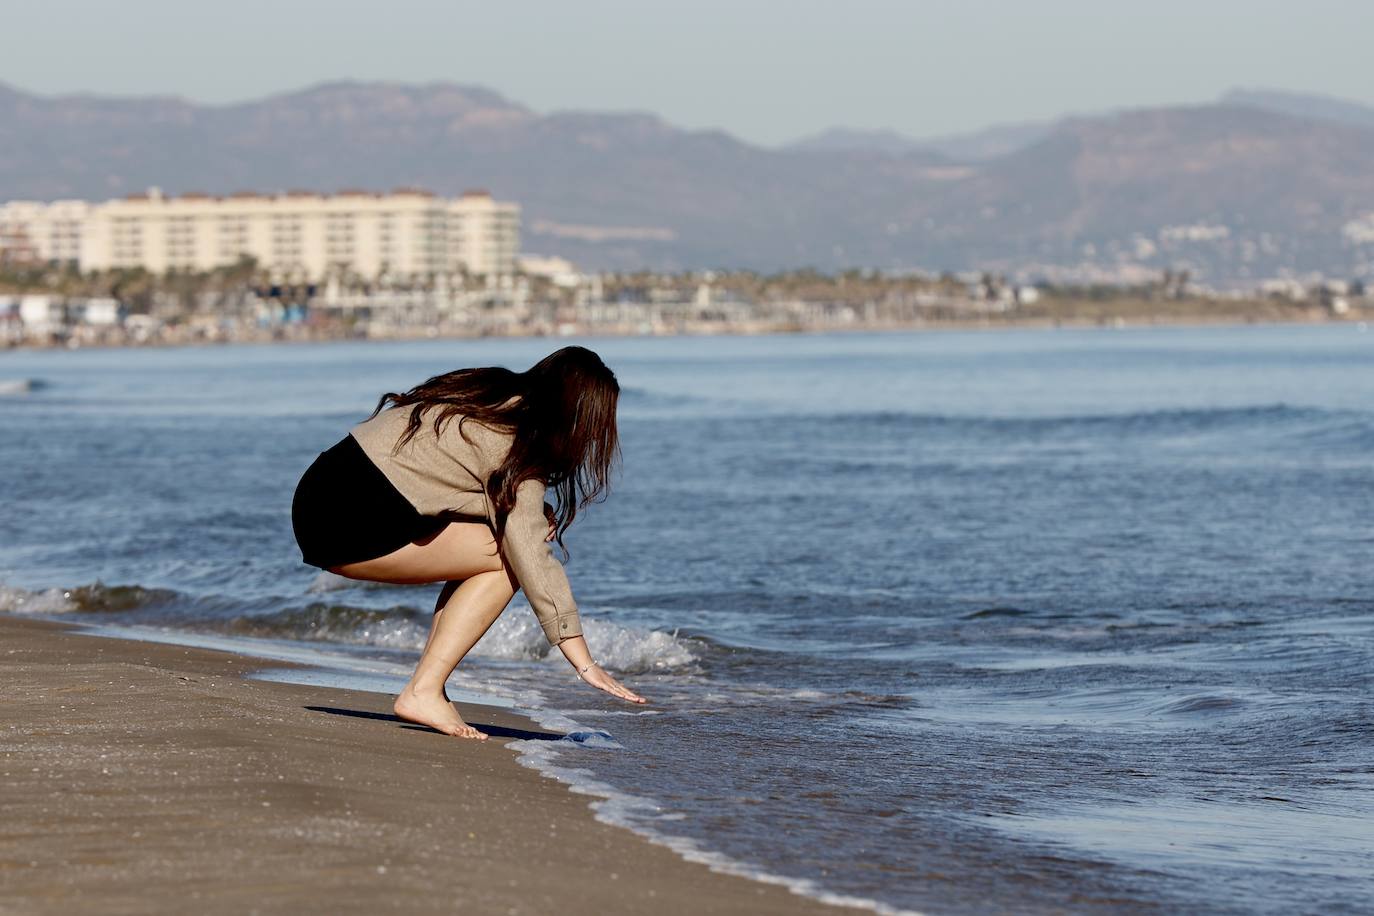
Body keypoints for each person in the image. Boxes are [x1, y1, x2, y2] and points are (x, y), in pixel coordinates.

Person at [290, 346, 647, 741]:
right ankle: (423, 690)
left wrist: (527, 511)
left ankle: (429, 688)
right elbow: (530, 554)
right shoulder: (517, 441)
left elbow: (441, 480)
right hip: (345, 522)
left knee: (502, 539)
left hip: (321, 493)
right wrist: (582, 660)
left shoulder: (488, 395)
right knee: (506, 560)